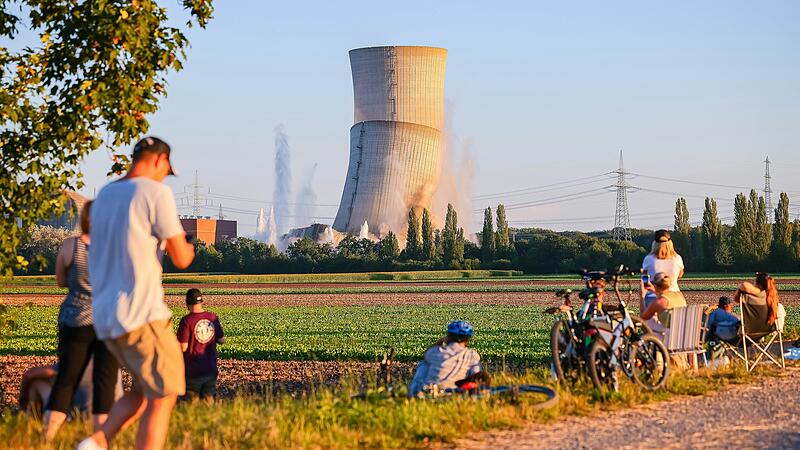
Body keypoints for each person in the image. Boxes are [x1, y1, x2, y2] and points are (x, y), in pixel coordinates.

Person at [79, 136, 195, 450]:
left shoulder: (104, 195)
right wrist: (188, 243)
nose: (164, 176)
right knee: (164, 394)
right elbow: (182, 257)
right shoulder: (156, 192)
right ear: (160, 160)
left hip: (106, 316)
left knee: (142, 391)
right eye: (166, 169)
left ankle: (95, 443)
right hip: (142, 313)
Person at [42, 201, 120, 442]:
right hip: (108, 321)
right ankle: (100, 440)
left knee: (66, 380)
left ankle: (47, 438)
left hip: (76, 320)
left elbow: (60, 281)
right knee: (104, 383)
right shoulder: (115, 249)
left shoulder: (71, 246)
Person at [408, 320, 489, 397]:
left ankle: (414, 392)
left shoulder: (434, 351)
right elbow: (477, 377)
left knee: (424, 364)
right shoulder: (471, 355)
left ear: (448, 336)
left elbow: (426, 354)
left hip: (430, 392)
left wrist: (441, 341)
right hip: (455, 393)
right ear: (468, 338)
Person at [19, 361, 123, 420]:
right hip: (114, 416)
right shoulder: (111, 360)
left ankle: (33, 419)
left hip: (79, 417)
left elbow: (29, 374)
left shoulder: (77, 358)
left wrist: (23, 398)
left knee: (37, 383)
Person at [177, 288, 225, 401]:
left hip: (193, 371)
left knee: (190, 405)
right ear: (202, 302)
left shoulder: (186, 321)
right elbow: (222, 340)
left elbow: (183, 347)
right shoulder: (212, 318)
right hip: (210, 369)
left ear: (187, 304)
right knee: (208, 402)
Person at [639, 272, 688, 340]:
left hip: (670, 339)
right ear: (670, 284)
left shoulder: (657, 303)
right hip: (685, 336)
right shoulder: (679, 295)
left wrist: (642, 296)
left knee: (650, 322)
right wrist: (655, 291)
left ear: (655, 286)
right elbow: (665, 297)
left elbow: (643, 317)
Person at [642, 230, 685, 296]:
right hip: (674, 295)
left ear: (654, 244)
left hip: (653, 295)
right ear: (670, 243)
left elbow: (644, 278)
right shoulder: (677, 258)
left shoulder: (648, 259)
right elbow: (680, 274)